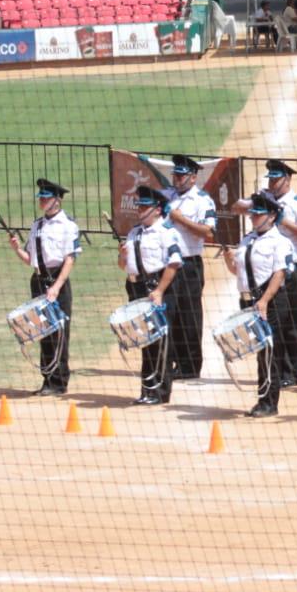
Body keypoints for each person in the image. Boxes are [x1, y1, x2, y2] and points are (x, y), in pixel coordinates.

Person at [234, 160, 297, 388]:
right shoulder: (264, 199)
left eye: (276, 179)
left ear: (288, 179)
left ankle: (292, 372)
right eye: (270, 178)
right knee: (273, 324)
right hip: (268, 271)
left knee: (294, 324)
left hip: (295, 271)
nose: (272, 182)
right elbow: (236, 207)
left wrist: (284, 221)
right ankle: (275, 371)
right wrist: (258, 203)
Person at [224, 192, 293, 418]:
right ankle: (263, 398)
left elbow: (279, 274)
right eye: (252, 213)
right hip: (248, 301)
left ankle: (269, 402)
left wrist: (263, 301)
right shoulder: (248, 239)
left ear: (272, 216)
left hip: (269, 302)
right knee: (259, 352)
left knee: (270, 353)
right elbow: (239, 271)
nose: (253, 217)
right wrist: (228, 259)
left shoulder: (280, 242)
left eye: (258, 214)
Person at [8, 178, 79, 396]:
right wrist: (17, 249)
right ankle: (47, 380)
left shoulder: (68, 225)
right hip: (38, 281)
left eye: (45, 198)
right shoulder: (36, 225)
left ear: (56, 200)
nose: (41, 201)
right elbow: (31, 259)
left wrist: (57, 287)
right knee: (43, 332)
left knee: (59, 333)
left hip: (57, 281)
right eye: (40, 198)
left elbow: (69, 259)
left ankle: (59, 381)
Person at [119, 186, 184, 405]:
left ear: (157, 209)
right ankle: (147, 389)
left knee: (160, 341)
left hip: (158, 289)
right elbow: (124, 265)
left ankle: (160, 391)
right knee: (145, 340)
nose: (140, 210)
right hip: (136, 289)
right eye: (139, 206)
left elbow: (174, 263)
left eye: (145, 206)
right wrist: (122, 256)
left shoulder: (166, 232)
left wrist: (159, 291)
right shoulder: (134, 232)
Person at [163, 154, 216, 380]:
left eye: (182, 175)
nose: (177, 178)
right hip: (166, 264)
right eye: (176, 174)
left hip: (189, 264)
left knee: (189, 314)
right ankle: (172, 360)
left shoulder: (203, 200)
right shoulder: (166, 196)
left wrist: (180, 219)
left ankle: (191, 365)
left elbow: (209, 231)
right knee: (169, 313)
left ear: (193, 178)